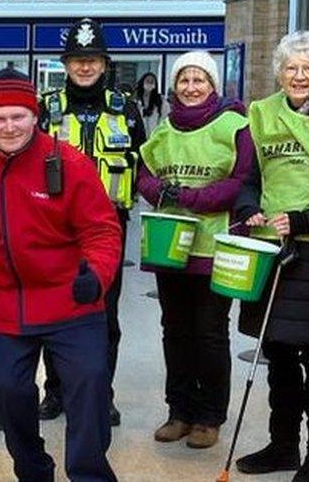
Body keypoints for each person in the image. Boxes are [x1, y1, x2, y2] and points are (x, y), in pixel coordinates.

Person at [0, 68, 122, 481]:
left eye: (17, 116)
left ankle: (90, 473)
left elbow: (102, 230)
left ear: (34, 114)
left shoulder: (70, 163)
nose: (8, 127)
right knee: (6, 391)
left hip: (72, 299)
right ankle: (33, 468)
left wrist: (96, 272)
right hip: (6, 304)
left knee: (90, 387)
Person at [234, 31, 309, 482]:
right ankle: (283, 446)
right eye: (290, 68)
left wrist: (302, 221)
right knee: (276, 354)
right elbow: (249, 177)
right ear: (277, 72)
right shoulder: (262, 114)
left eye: (308, 67)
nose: (298, 76)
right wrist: (247, 207)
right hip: (273, 251)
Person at [136, 51, 250, 449]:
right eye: (184, 80)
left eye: (199, 79)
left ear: (213, 85)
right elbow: (144, 171)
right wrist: (159, 192)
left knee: (210, 333)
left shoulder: (234, 124)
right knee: (175, 331)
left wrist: (193, 198)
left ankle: (209, 416)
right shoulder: (166, 127)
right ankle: (179, 410)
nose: (191, 87)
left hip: (214, 245)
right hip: (171, 246)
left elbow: (243, 180)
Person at [37, 18, 146, 426]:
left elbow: (143, 164)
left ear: (104, 63)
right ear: (66, 64)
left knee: (104, 315)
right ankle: (57, 392)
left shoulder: (127, 109)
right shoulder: (44, 108)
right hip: (52, 229)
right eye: (77, 60)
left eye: (92, 59)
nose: (85, 67)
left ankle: (102, 394)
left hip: (107, 229)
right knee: (54, 311)